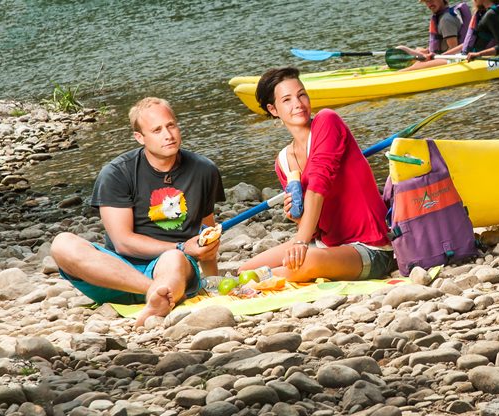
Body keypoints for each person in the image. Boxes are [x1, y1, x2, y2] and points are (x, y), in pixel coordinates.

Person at [51, 97, 225, 326]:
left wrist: (213, 283)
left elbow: (206, 233)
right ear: (140, 137)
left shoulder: (204, 170)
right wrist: (182, 246)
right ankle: (156, 294)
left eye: (171, 125)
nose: (168, 135)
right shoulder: (116, 173)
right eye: (157, 130)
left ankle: (161, 295)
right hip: (116, 275)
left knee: (173, 258)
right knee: (62, 243)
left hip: (174, 271)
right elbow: (123, 243)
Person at [239, 67, 394, 282]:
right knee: (245, 268)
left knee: (305, 263)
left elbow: (318, 186)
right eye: (287, 100)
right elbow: (314, 229)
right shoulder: (284, 161)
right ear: (273, 109)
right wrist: (297, 217)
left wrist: (300, 242)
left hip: (370, 247)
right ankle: (257, 278)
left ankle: (262, 280)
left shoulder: (327, 121)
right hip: (327, 245)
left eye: (301, 94)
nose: (298, 104)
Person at [400, 0, 470, 71]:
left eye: (432, 0)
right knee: (401, 49)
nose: (430, 4)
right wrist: (426, 51)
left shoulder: (446, 20)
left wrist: (435, 57)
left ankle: (399, 73)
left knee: (417, 64)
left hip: (450, 60)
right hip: (438, 55)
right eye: (427, 2)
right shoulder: (442, 15)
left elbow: (453, 48)